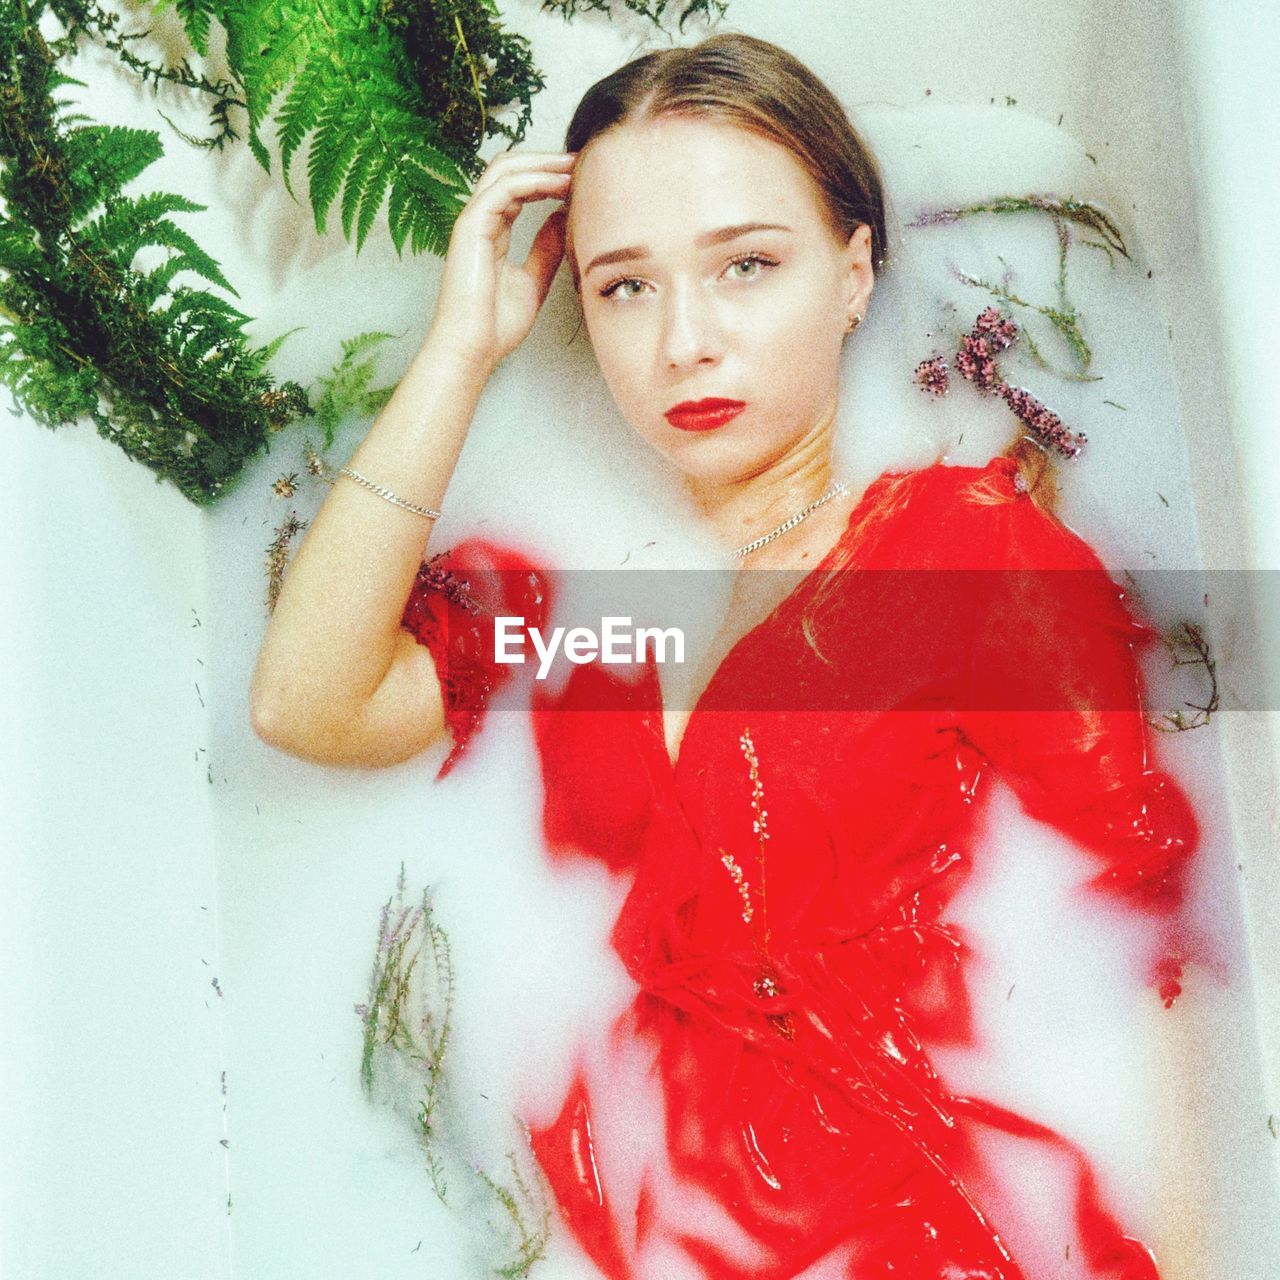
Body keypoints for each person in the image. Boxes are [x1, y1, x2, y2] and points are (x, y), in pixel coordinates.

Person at [251, 32, 1200, 1279]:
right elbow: (305, 704)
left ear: (854, 273)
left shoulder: (962, 558)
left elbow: (1146, 943)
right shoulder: (564, 598)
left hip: (919, 1216)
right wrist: (460, 349)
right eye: (623, 286)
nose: (683, 340)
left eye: (745, 266)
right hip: (635, 1207)